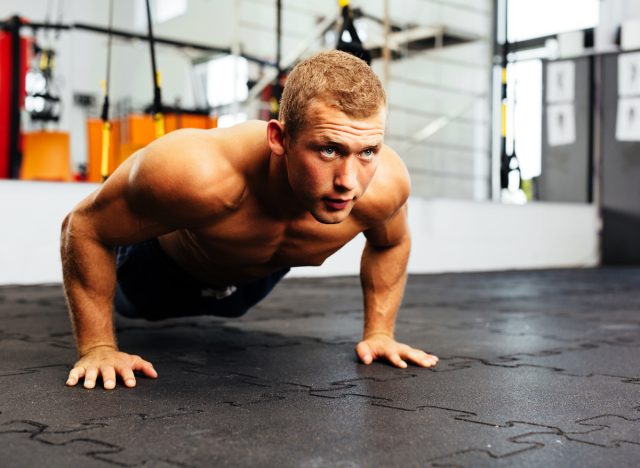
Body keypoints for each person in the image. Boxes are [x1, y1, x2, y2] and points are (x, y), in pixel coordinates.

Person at [61, 50, 439, 391]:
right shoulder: (198, 173)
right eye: (328, 149)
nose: (349, 181)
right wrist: (97, 346)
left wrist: (380, 332)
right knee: (127, 291)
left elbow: (391, 242)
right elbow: (83, 226)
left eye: (368, 151)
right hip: (156, 276)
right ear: (278, 138)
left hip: (245, 287)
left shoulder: (386, 185)